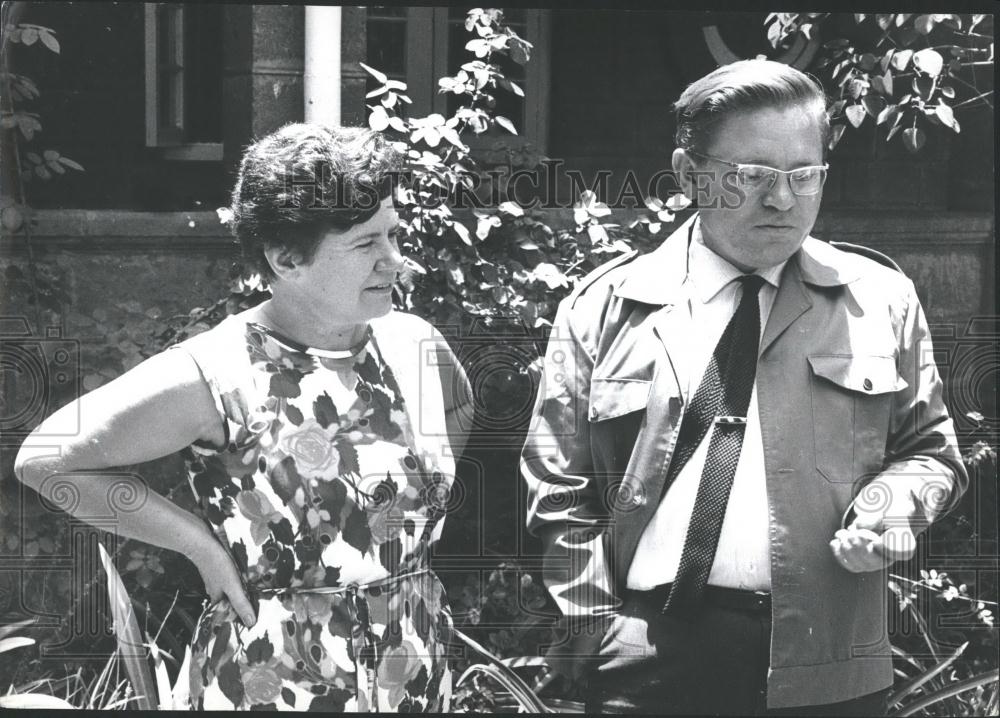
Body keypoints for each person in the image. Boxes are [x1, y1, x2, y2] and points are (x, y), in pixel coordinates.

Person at [522, 59, 967, 716]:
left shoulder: (881, 302)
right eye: (751, 176)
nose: (782, 199)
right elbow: (559, 491)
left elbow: (931, 452)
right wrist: (599, 631)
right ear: (687, 173)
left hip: (831, 662)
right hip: (649, 662)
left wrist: (893, 509)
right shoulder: (604, 310)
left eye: (803, 175)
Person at [15, 123, 472, 711]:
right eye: (365, 245)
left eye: (394, 235)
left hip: (412, 670)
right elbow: (46, 461)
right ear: (286, 258)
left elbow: (458, 407)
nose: (395, 261)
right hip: (276, 682)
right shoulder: (217, 373)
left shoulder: (415, 344)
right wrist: (198, 544)